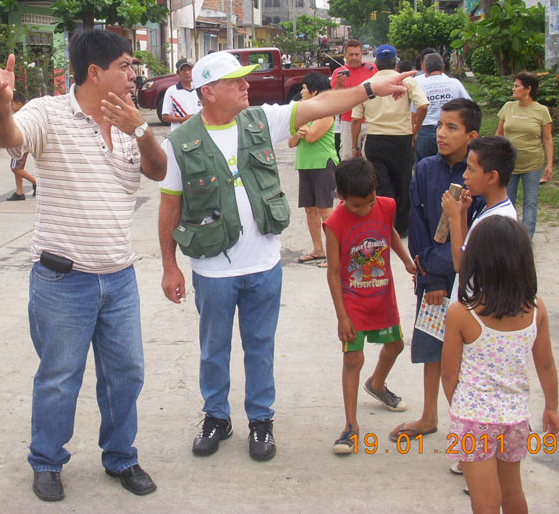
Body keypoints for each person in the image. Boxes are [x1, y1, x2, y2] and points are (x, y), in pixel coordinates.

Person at [158, 51, 414, 462]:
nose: (246, 86)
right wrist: (171, 265)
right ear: (208, 92)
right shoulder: (180, 141)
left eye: (245, 79)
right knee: (213, 349)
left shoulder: (262, 120)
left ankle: (261, 421)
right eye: (235, 81)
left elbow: (320, 104)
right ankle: (216, 417)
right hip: (211, 268)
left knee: (260, 346)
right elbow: (169, 206)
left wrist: (368, 89)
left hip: (263, 267)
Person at [0, 30, 167, 502]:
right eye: (126, 66)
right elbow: (8, 137)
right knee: (60, 377)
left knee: (126, 373)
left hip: (119, 277)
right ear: (95, 72)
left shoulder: (128, 120)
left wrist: (141, 129)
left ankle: (121, 456)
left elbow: (159, 171)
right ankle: (46, 462)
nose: (134, 75)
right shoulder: (48, 112)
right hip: (63, 280)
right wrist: (4, 103)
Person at [442, 216, 559, 514]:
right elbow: (545, 364)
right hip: (516, 418)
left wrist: (460, 411)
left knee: (484, 501)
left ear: (476, 263)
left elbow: (448, 374)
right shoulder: (536, 309)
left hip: (473, 419)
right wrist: (552, 407)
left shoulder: (461, 314)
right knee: (512, 492)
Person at [390, 99, 484, 443]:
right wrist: (428, 276)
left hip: (465, 280)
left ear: (471, 135)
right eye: (440, 126)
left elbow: (473, 233)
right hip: (430, 276)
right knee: (432, 348)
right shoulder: (426, 168)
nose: (441, 134)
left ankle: (468, 428)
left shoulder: (478, 177)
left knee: (466, 356)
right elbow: (416, 224)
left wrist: (445, 278)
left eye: (452, 128)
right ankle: (429, 416)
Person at [323, 158, 417, 454]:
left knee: (397, 345)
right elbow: (334, 271)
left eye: (369, 202)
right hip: (353, 303)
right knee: (353, 360)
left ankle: (377, 383)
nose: (364, 210)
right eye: (356, 206)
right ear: (340, 197)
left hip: (382, 297)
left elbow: (389, 232)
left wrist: (406, 260)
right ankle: (351, 427)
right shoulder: (335, 223)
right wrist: (341, 316)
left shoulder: (386, 206)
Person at [351, 43, 429, 236]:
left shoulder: (366, 86)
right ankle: (402, 228)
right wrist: (415, 130)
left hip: (376, 141)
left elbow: (355, 120)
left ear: (376, 62)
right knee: (403, 182)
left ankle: (386, 226)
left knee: (382, 186)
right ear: (395, 62)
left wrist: (355, 147)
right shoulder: (407, 82)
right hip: (401, 140)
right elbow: (423, 106)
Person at [443, 136, 518, 276]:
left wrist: (453, 217)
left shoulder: (498, 221)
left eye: (471, 169)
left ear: (492, 177)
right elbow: (468, 248)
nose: (465, 175)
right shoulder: (490, 208)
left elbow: (461, 265)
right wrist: (462, 213)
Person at [495, 71, 554, 240]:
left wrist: (550, 164)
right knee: (508, 199)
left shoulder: (541, 111)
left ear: (528, 89)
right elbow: (499, 134)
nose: (513, 89)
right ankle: (510, 235)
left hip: (533, 164)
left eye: (517, 86)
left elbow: (548, 138)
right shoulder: (508, 107)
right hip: (509, 164)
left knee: (530, 201)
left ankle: (526, 238)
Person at [288, 72, 337, 266]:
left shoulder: (326, 112)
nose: (301, 91)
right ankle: (318, 250)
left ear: (314, 91)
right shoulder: (303, 113)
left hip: (322, 163)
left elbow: (311, 136)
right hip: (305, 164)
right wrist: (300, 132)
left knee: (326, 210)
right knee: (310, 209)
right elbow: (292, 141)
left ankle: (335, 254)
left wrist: (302, 131)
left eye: (304, 88)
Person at [413, 53, 472, 164]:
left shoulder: (418, 84)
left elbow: (412, 111)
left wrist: (413, 134)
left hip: (425, 131)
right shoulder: (454, 83)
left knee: (424, 169)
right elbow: (469, 106)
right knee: (450, 166)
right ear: (443, 67)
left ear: (424, 68)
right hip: (451, 130)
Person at [330, 39, 375, 159]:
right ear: (345, 55)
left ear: (362, 54)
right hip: (348, 120)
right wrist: (339, 85)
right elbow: (333, 99)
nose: (354, 57)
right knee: (348, 156)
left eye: (357, 54)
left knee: (369, 157)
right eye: (351, 54)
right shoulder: (338, 73)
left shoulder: (372, 69)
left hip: (370, 120)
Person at [5, 91, 36, 202]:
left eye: (12, 104)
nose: (11, 107)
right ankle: (19, 192)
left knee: (15, 168)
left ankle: (36, 183)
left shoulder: (18, 116)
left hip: (19, 146)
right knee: (19, 167)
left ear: (18, 104)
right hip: (25, 144)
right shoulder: (27, 113)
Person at [160, 58, 200, 132]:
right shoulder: (171, 91)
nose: (187, 72)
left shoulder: (201, 89)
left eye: (189, 69)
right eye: (183, 70)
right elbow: (165, 116)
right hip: (180, 134)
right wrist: (182, 119)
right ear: (177, 73)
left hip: (200, 133)